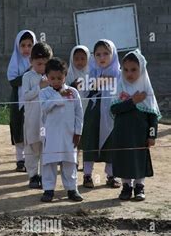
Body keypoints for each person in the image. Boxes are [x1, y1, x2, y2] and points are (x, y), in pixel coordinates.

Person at [111, 49, 161, 201]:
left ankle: (139, 187)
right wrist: (133, 101)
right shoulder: (120, 87)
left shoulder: (146, 90)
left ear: (142, 69)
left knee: (139, 159)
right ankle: (126, 187)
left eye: (134, 69)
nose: (129, 73)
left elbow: (152, 116)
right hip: (122, 134)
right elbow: (114, 109)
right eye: (125, 70)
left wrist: (152, 135)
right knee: (125, 159)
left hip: (140, 136)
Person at [39, 58, 83, 202]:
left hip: (69, 135)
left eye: (60, 78)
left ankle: (72, 189)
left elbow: (79, 114)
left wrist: (78, 132)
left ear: (65, 76)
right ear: (47, 77)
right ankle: (48, 190)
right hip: (51, 134)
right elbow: (44, 107)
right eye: (52, 78)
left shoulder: (73, 92)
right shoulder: (44, 93)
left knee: (70, 162)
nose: (56, 81)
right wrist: (59, 96)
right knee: (49, 163)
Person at [80, 39, 121, 189]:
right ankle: (87, 175)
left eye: (106, 53)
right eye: (98, 54)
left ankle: (111, 175)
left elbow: (123, 93)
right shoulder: (90, 72)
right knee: (90, 142)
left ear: (113, 54)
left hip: (111, 115)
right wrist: (97, 82)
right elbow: (82, 91)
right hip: (93, 114)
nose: (102, 57)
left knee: (111, 144)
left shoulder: (120, 74)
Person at [22, 42, 53, 189]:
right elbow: (25, 96)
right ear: (31, 61)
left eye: (45, 64)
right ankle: (33, 175)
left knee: (45, 146)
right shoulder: (27, 77)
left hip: (47, 120)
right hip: (32, 120)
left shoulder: (52, 77)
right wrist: (39, 87)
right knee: (32, 147)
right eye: (39, 63)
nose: (42, 67)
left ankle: (45, 175)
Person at [7, 30, 37, 172]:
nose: (26, 49)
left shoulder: (38, 63)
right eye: (23, 45)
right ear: (17, 47)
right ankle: (20, 159)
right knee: (19, 129)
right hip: (17, 101)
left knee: (31, 129)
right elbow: (13, 81)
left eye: (30, 45)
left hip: (33, 101)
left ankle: (32, 159)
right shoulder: (15, 61)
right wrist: (27, 72)